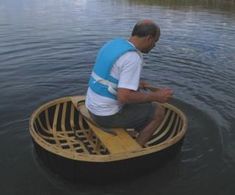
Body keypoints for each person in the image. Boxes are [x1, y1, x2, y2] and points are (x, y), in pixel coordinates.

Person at [85, 19, 173, 147]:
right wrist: (156, 96)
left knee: (142, 97)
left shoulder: (113, 44)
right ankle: (135, 149)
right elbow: (124, 97)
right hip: (105, 116)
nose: (154, 46)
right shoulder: (132, 57)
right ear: (149, 38)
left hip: (91, 106)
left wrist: (135, 84)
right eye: (155, 42)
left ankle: (135, 128)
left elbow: (109, 78)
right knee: (158, 111)